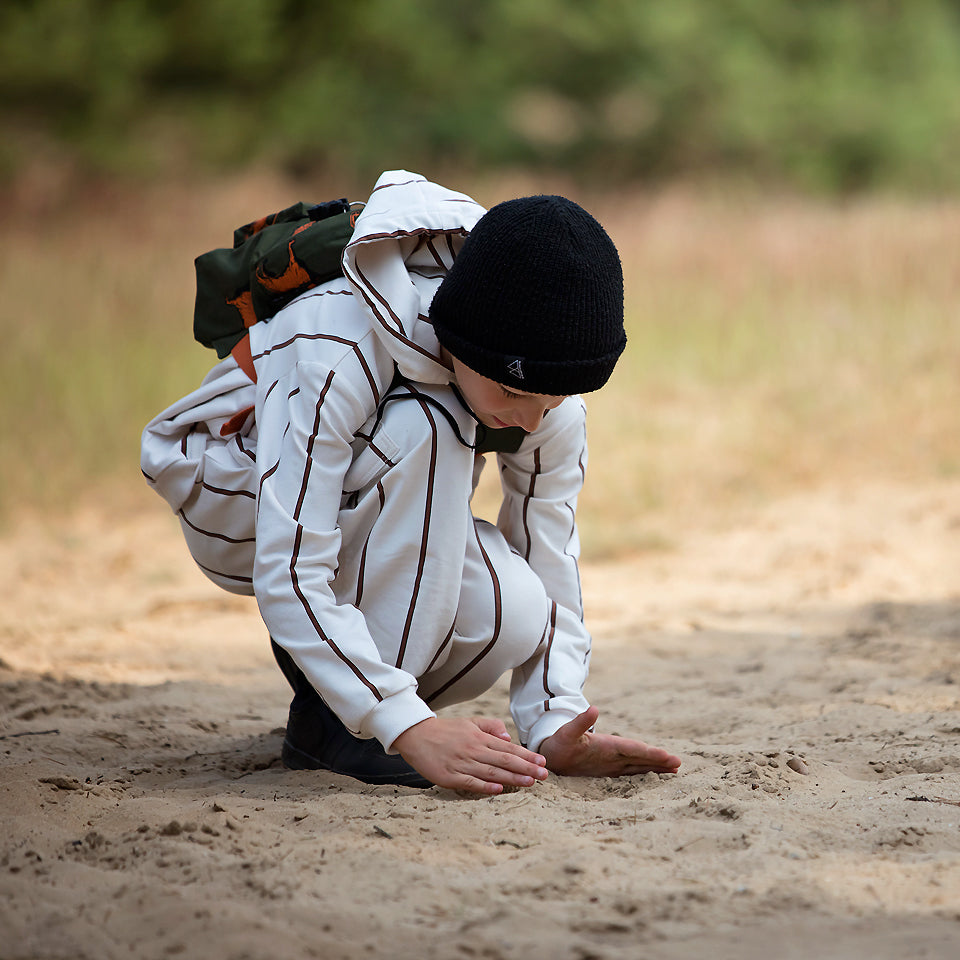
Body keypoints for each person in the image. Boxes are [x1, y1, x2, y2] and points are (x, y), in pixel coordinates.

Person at [141, 169, 681, 795]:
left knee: (514, 608)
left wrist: (554, 720)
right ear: (465, 342)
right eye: (513, 393)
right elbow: (288, 567)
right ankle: (353, 726)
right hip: (234, 489)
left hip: (355, 502)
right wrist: (405, 725)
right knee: (430, 422)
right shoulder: (336, 343)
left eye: (553, 398)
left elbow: (549, 554)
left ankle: (336, 710)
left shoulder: (541, 393)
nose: (533, 419)